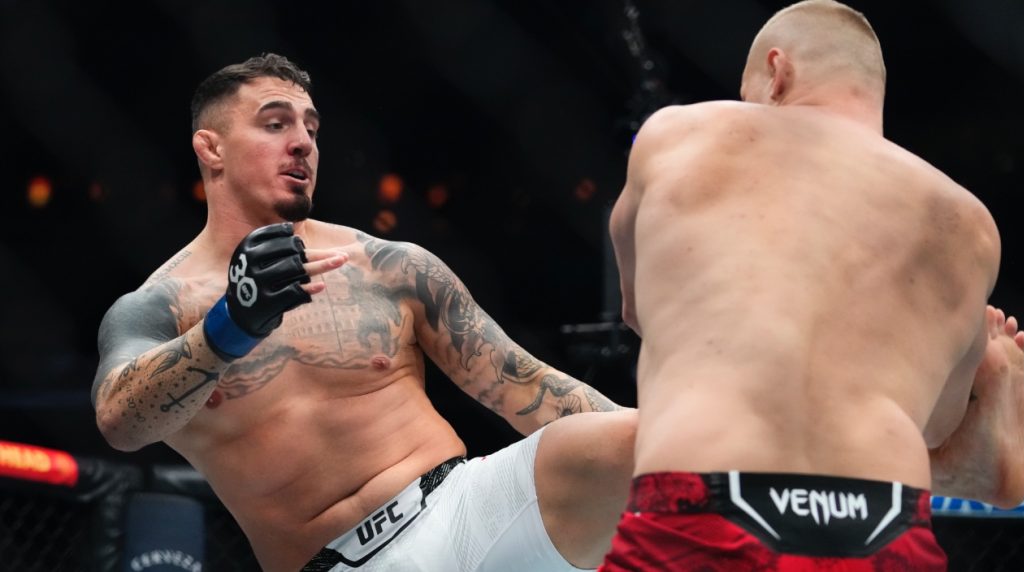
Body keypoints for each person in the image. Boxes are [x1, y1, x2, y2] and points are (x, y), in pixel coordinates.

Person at [91, 53, 636, 572]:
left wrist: (667, 444)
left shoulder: (390, 267)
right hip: (335, 562)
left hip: (464, 507)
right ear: (211, 149)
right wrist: (232, 324)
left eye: (311, 127)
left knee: (630, 442)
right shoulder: (160, 305)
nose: (302, 142)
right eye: (276, 124)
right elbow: (121, 421)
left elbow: (528, 388)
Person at [602, 1, 1024, 570]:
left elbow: (637, 311)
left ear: (777, 73)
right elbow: (933, 426)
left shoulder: (679, 134)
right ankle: (987, 436)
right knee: (910, 427)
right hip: (885, 517)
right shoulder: (966, 222)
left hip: (703, 502)